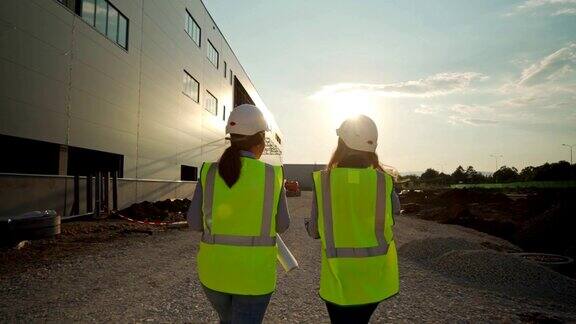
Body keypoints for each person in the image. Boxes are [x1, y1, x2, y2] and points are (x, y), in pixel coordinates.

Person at [187, 104, 290, 324]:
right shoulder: (273, 175)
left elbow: (194, 223)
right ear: (260, 140)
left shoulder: (209, 171)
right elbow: (282, 225)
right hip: (254, 279)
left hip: (214, 274)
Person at [306, 115, 400, 324]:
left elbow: (314, 231)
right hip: (373, 276)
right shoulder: (384, 182)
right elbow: (393, 215)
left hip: (339, 276)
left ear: (341, 144)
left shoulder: (325, 181)